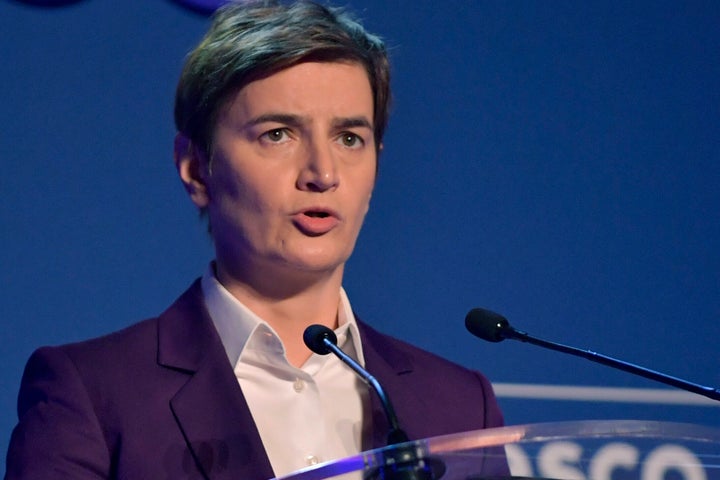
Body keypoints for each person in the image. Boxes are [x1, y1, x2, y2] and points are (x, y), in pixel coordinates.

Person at [5, 1, 505, 479]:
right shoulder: (93, 392)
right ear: (196, 168)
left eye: (349, 138)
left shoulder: (460, 406)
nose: (323, 173)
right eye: (278, 134)